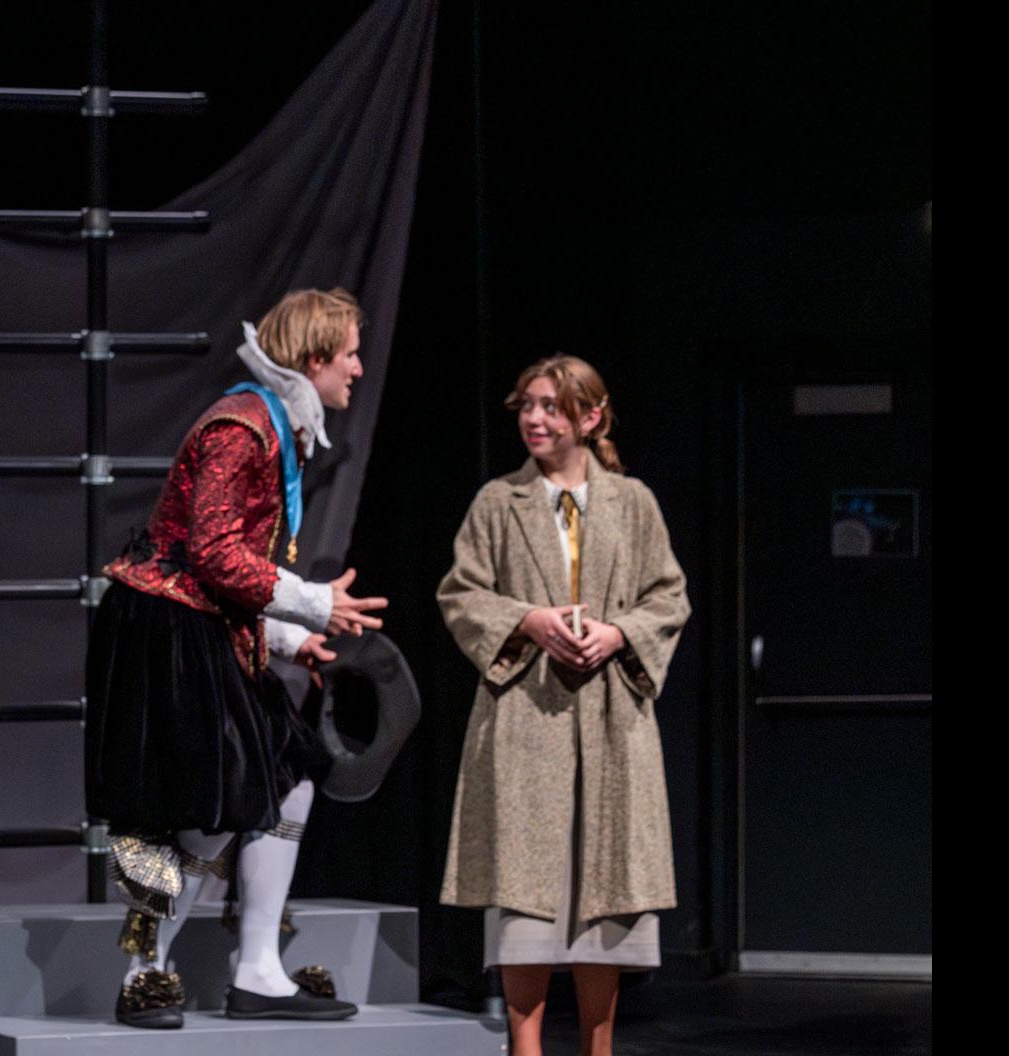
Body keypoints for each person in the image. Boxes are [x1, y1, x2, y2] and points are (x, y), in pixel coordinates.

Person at [86, 288, 390, 1027]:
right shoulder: (241, 426)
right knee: (204, 810)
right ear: (314, 358)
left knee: (286, 783)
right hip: (167, 631)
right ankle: (144, 974)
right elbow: (213, 554)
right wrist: (314, 603)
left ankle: (257, 969)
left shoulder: (277, 424)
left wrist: (289, 637)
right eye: (348, 353)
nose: (356, 367)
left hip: (201, 623)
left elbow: (228, 566)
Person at [436, 356, 690, 1056]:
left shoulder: (631, 502)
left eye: (550, 406)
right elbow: (460, 594)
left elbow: (668, 596)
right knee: (526, 885)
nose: (534, 419)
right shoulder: (498, 501)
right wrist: (528, 622)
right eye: (526, 405)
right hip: (527, 715)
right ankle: (524, 1046)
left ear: (589, 417)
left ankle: (598, 1044)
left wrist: (619, 633)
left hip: (611, 718)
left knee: (604, 882)